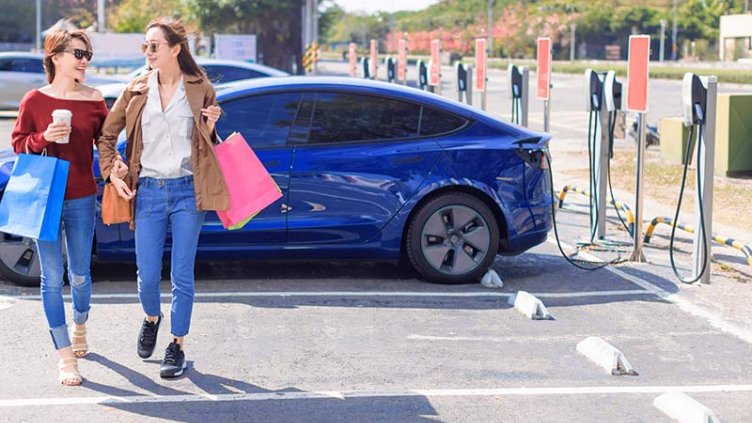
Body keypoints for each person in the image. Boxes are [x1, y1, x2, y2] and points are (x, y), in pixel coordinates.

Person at [97, 18, 228, 379]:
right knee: (148, 274)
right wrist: (113, 171)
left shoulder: (200, 88)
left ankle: (177, 344)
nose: (148, 52)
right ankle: (152, 318)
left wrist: (212, 128)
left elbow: (209, 146)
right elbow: (106, 137)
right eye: (145, 46)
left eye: (154, 45)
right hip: (149, 191)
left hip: (189, 189)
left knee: (182, 273)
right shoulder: (136, 88)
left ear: (175, 49)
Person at [11, 28, 108, 386]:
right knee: (52, 278)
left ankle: (80, 321)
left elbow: (106, 143)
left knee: (80, 275)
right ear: (56, 56)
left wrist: (120, 166)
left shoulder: (95, 99)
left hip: (83, 196)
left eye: (87, 55)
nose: (84, 61)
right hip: (45, 196)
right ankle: (65, 356)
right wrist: (43, 138)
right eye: (78, 54)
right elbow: (19, 143)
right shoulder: (34, 100)